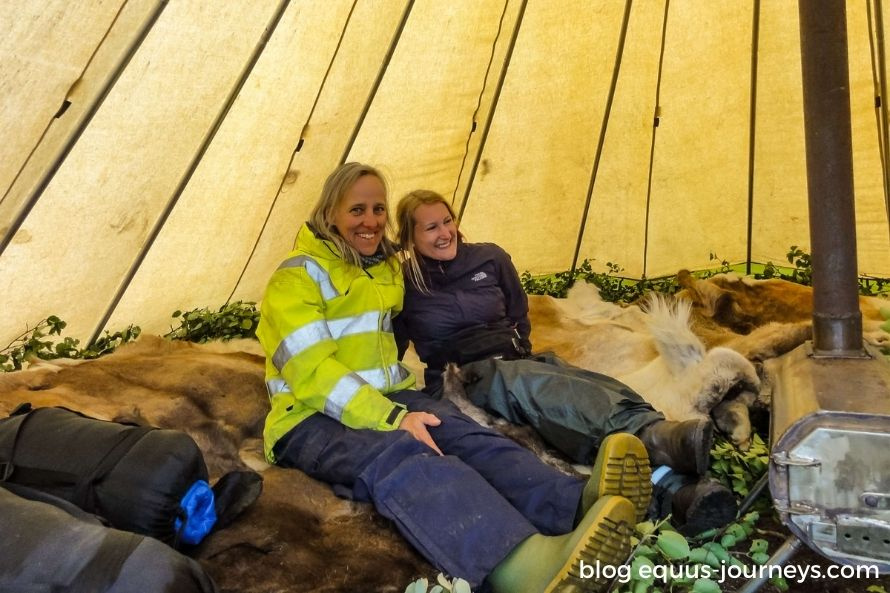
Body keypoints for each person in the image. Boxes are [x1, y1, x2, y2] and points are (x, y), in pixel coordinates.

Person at [256, 162, 654, 593]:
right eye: (356, 210)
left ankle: (573, 505)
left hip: (389, 394)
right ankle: (524, 567)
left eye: (377, 209)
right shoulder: (295, 277)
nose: (370, 221)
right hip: (310, 418)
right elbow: (314, 373)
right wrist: (392, 418)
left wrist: (406, 401)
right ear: (330, 211)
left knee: (467, 435)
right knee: (406, 457)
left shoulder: (382, 269)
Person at [393, 189, 738, 535]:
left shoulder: (489, 258)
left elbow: (518, 312)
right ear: (410, 237)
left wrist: (521, 349)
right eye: (431, 228)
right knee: (532, 388)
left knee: (583, 388)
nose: (445, 233)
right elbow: (387, 345)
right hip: (460, 378)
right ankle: (651, 436)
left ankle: (676, 489)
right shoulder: (402, 282)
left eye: (447, 221)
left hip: (512, 360)